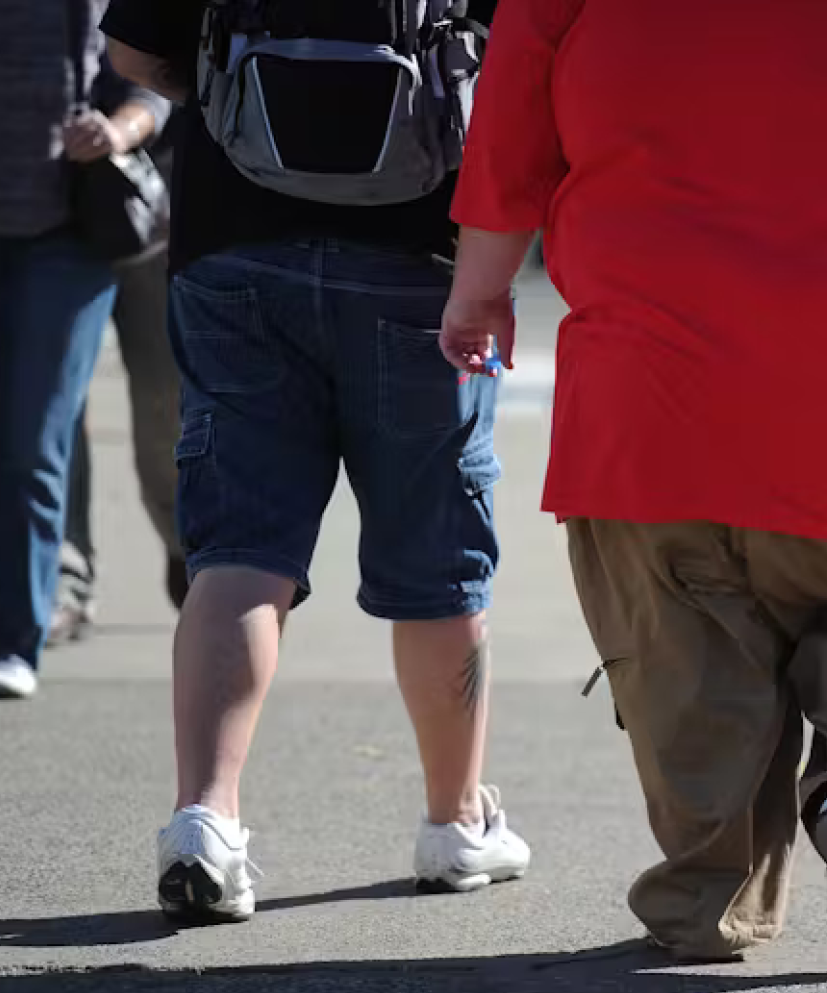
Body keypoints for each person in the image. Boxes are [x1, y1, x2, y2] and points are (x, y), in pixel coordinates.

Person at [440, 0, 827, 960]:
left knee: (686, 665)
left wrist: (479, 295)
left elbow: (506, 160)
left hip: (655, 408)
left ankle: (708, 899)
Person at [101, 0, 530, 923]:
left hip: (232, 245)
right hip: (424, 257)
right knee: (439, 552)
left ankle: (205, 823)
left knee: (240, 547)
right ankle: (456, 824)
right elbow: (533, 67)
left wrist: (231, 113)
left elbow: (133, 51)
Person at [0, 1, 170, 700]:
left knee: (155, 415)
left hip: (96, 224)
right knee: (37, 429)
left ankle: (201, 550)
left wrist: (118, 130)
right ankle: (40, 608)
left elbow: (157, 75)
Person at [49, 95, 185, 649]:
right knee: (50, 405)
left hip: (152, 201)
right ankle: (65, 579)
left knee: (167, 401)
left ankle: (189, 546)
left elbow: (167, 58)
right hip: (41, 205)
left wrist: (124, 128)